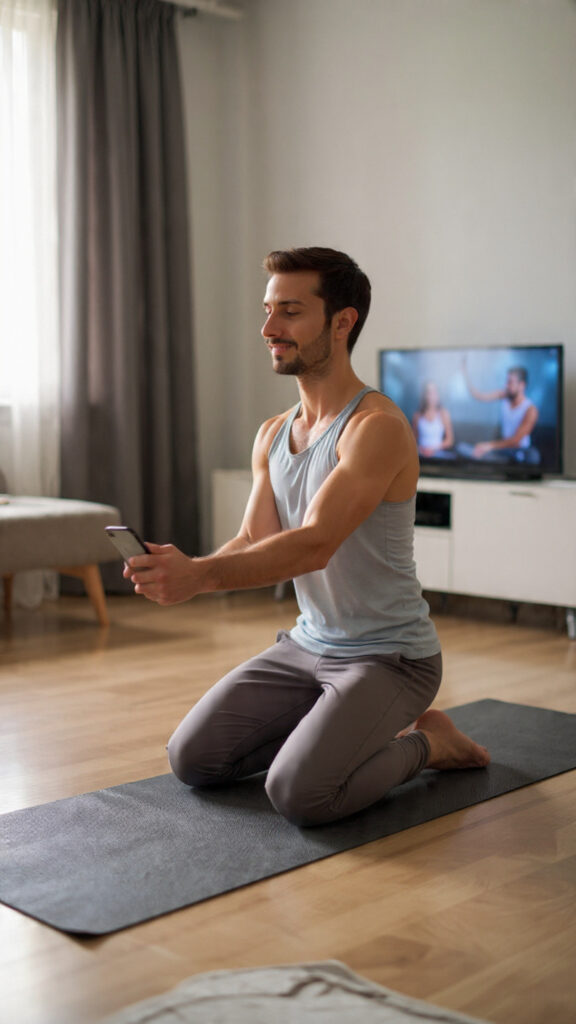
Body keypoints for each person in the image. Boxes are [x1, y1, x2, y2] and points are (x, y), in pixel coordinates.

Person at [125, 247, 489, 827]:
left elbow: (317, 542)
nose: (269, 329)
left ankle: (429, 745)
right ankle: (332, 729)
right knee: (191, 759)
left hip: (390, 657)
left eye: (289, 312)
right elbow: (254, 537)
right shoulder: (272, 434)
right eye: (268, 311)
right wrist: (192, 565)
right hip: (306, 646)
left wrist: (201, 578)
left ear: (342, 322)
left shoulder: (376, 429)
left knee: (299, 795)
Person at [460, 359, 540, 463]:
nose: (506, 385)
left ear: (522, 385)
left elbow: (516, 441)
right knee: (462, 448)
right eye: (507, 382)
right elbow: (478, 396)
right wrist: (464, 374)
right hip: (502, 450)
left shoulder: (531, 410)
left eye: (510, 382)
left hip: (519, 452)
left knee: (534, 456)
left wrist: (488, 446)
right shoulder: (504, 395)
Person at [412, 380, 454, 457]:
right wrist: (420, 449)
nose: (431, 396)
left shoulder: (443, 414)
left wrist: (432, 449)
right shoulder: (417, 415)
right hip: (421, 456)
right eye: (428, 393)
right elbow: (413, 440)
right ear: (424, 395)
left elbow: (449, 441)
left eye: (434, 393)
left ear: (438, 395)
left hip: (438, 456)